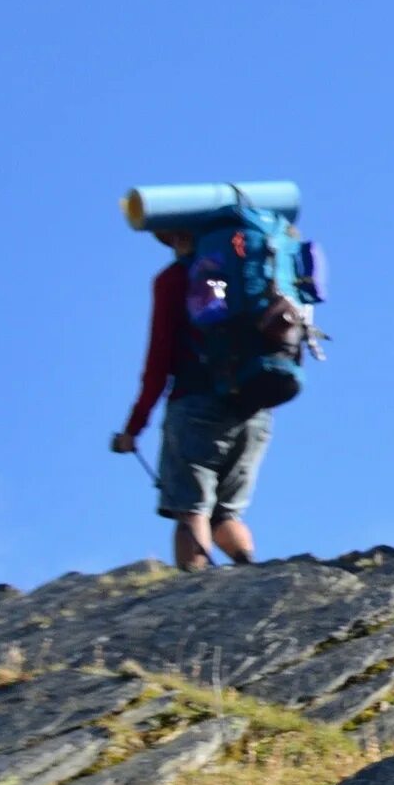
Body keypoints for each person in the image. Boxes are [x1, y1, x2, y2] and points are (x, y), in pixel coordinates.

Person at [111, 229, 266, 571]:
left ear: (179, 237)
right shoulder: (245, 273)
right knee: (226, 512)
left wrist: (132, 429)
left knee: (191, 509)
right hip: (255, 407)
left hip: (195, 406)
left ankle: (194, 591)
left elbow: (158, 362)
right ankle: (250, 574)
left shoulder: (174, 279)